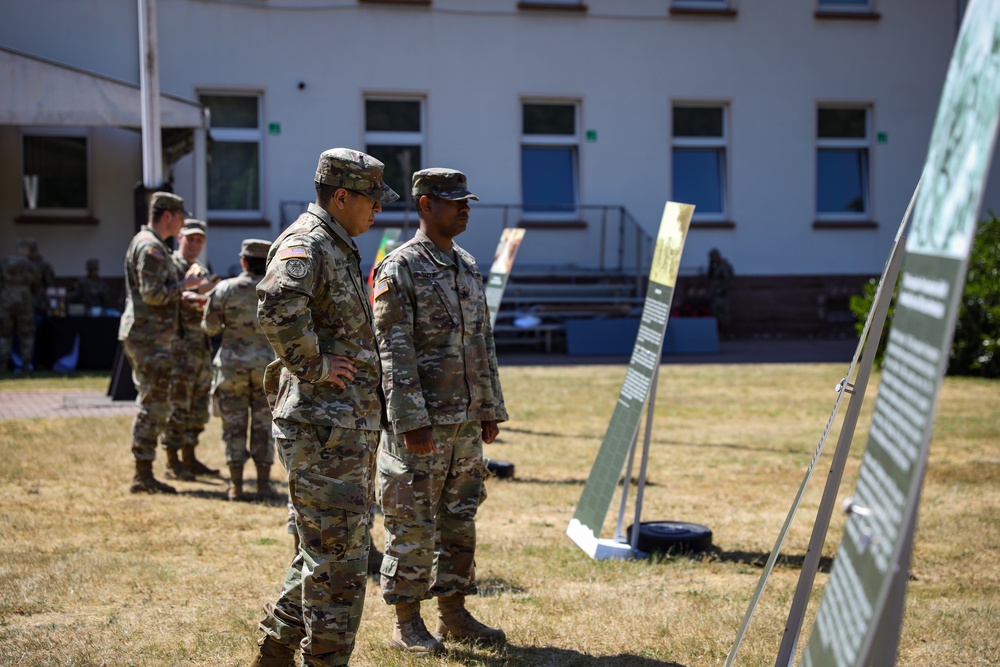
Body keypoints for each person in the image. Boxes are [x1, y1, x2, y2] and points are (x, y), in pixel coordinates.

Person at [250, 148, 397, 667]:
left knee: (330, 548)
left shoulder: (336, 242)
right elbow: (274, 306)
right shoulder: (307, 242)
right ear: (341, 196)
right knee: (343, 562)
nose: (377, 210)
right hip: (322, 428)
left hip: (339, 427)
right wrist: (313, 365)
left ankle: (275, 648)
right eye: (372, 199)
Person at [371, 168, 508, 654]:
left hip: (466, 421)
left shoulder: (467, 265)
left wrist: (490, 406)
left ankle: (453, 611)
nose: (465, 209)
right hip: (422, 424)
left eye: (467, 201)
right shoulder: (399, 267)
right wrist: (411, 422)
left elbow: (482, 342)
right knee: (411, 521)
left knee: (460, 518)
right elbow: (393, 351)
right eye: (454, 202)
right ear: (426, 206)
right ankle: (406, 621)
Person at [119, 192, 213, 494]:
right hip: (150, 336)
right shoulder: (151, 247)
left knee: (156, 402)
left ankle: (145, 471)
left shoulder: (152, 244)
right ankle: (142, 475)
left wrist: (182, 293)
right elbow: (153, 294)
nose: (183, 222)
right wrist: (183, 286)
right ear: (168, 216)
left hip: (153, 335)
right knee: (154, 404)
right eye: (181, 216)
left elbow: (160, 292)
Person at [202, 238, 275, 501]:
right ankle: (264, 485)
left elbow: (210, 328)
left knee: (233, 426)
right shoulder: (275, 290)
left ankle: (236, 486)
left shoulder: (224, 289)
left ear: (243, 261)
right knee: (263, 427)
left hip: (232, 368)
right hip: (266, 368)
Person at [161, 219, 220, 481]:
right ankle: (173, 462)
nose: (194, 244)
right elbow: (164, 298)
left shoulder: (201, 269)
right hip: (178, 348)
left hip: (200, 347)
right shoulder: (171, 267)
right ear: (179, 238)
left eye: (199, 240)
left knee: (197, 406)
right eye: (190, 238)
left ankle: (189, 457)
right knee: (178, 405)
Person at [0, 239, 41, 373]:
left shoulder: (5, 263)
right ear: (27, 251)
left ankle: (3, 365)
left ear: (18, 249)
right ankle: (25, 365)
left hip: (6, 300)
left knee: (4, 333)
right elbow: (36, 285)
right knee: (27, 334)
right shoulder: (31, 265)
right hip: (25, 300)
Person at [708, 248, 734, 340]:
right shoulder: (716, 266)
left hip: (722, 295)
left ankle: (725, 334)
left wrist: (722, 291)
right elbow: (710, 276)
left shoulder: (725, 266)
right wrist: (710, 265)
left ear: (717, 256)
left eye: (713, 258)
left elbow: (728, 281)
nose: (713, 260)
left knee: (724, 316)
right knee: (715, 314)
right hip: (715, 295)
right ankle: (720, 334)